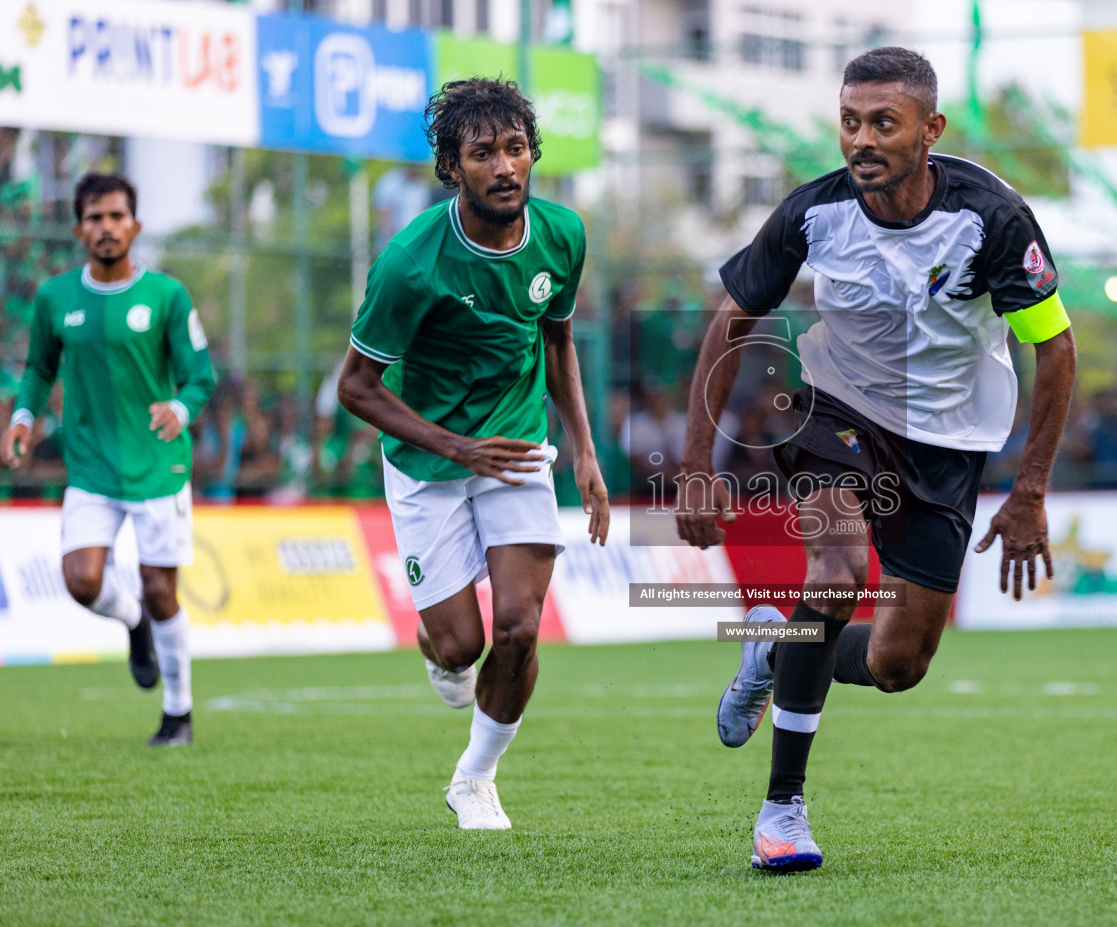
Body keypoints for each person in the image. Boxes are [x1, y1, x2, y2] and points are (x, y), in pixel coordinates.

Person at [675, 48, 1076, 872]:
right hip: (835, 413)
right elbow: (730, 322)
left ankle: (773, 649)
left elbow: (1056, 348)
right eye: (851, 122)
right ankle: (782, 809)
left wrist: (1030, 488)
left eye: (883, 124)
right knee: (839, 563)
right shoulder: (812, 213)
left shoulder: (991, 219)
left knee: (900, 664)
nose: (862, 140)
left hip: (948, 445)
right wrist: (696, 462)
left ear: (930, 131)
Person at [336, 78, 610, 831]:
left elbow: (556, 338)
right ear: (453, 168)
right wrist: (457, 446)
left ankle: (474, 778)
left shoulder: (563, 235)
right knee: (461, 646)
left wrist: (584, 453)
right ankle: (439, 647)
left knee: (520, 628)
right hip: (428, 463)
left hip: (519, 447)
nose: (504, 166)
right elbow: (356, 387)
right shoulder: (410, 262)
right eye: (482, 152)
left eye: (516, 148)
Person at [2, 173, 215, 746]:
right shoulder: (55, 298)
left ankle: (178, 713)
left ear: (135, 226)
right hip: (91, 467)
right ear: (78, 230)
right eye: (95, 218)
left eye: (117, 216)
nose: (107, 227)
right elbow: (39, 371)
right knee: (81, 580)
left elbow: (200, 376)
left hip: (158, 465)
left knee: (162, 587)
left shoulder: (167, 296)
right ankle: (132, 620)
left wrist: (180, 407)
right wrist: (23, 417)